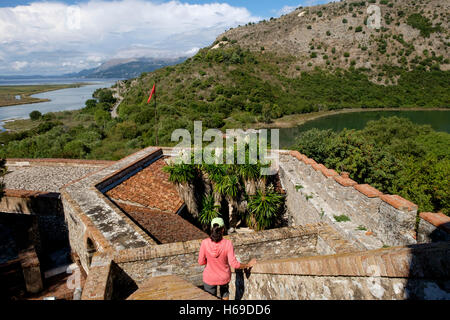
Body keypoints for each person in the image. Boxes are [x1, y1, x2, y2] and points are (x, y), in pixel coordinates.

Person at [198, 217, 256, 300]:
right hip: (224, 277)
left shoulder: (205, 243)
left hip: (209, 277)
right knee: (225, 293)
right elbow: (234, 264)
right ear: (222, 229)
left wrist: (209, 260)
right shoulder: (227, 243)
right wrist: (247, 265)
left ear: (212, 228)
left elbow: (201, 262)